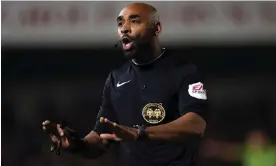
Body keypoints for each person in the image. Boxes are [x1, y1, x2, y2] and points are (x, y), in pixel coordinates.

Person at [42, 3, 208, 166]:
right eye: (120, 23)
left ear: (156, 29)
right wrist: (76, 144)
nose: (124, 28)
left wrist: (139, 133)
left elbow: (195, 125)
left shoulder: (184, 71)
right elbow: (100, 139)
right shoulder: (116, 78)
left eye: (134, 21)